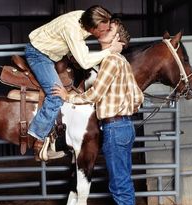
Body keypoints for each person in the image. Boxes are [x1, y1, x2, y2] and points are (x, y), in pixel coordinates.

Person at [52, 18, 144, 205]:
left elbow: (94, 94)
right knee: (123, 182)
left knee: (119, 185)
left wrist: (67, 96)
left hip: (114, 126)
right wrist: (123, 107)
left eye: (110, 29)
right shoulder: (121, 61)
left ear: (117, 39)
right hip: (123, 125)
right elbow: (138, 96)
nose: (103, 31)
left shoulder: (112, 60)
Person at [25, 5, 123, 161]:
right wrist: (111, 50)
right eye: (102, 30)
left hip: (54, 53)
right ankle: (38, 136)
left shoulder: (84, 17)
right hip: (39, 55)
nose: (105, 32)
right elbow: (84, 62)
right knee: (56, 96)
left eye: (107, 29)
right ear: (92, 28)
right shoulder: (73, 29)